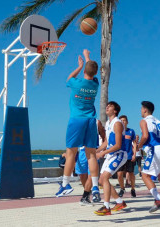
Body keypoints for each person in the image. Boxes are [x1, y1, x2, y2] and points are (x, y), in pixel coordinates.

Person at [56, 49, 100, 198]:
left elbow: (69, 77)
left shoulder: (76, 83)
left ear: (84, 71)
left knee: (70, 153)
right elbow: (91, 70)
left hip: (77, 120)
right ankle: (94, 187)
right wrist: (88, 58)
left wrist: (79, 66)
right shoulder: (95, 84)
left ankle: (65, 185)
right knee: (91, 155)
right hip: (91, 121)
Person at [94, 101, 128, 216]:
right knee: (101, 181)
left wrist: (103, 153)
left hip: (119, 154)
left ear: (115, 111)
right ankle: (119, 202)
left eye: (110, 106)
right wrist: (96, 151)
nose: (107, 107)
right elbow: (107, 142)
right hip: (111, 155)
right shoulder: (108, 123)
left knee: (104, 178)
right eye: (107, 105)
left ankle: (106, 207)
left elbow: (118, 145)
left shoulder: (117, 123)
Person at [75, 120, 106, 205]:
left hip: (93, 150)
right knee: (82, 175)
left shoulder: (97, 122)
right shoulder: (78, 121)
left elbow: (103, 135)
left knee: (91, 175)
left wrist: (103, 149)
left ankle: (85, 196)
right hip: (81, 151)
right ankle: (88, 193)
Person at [117, 115, 137, 198]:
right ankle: (122, 188)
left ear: (127, 122)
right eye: (121, 120)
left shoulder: (131, 131)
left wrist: (134, 154)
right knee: (119, 174)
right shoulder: (117, 132)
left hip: (129, 156)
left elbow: (135, 143)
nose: (122, 122)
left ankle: (133, 189)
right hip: (120, 157)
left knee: (131, 174)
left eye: (124, 120)